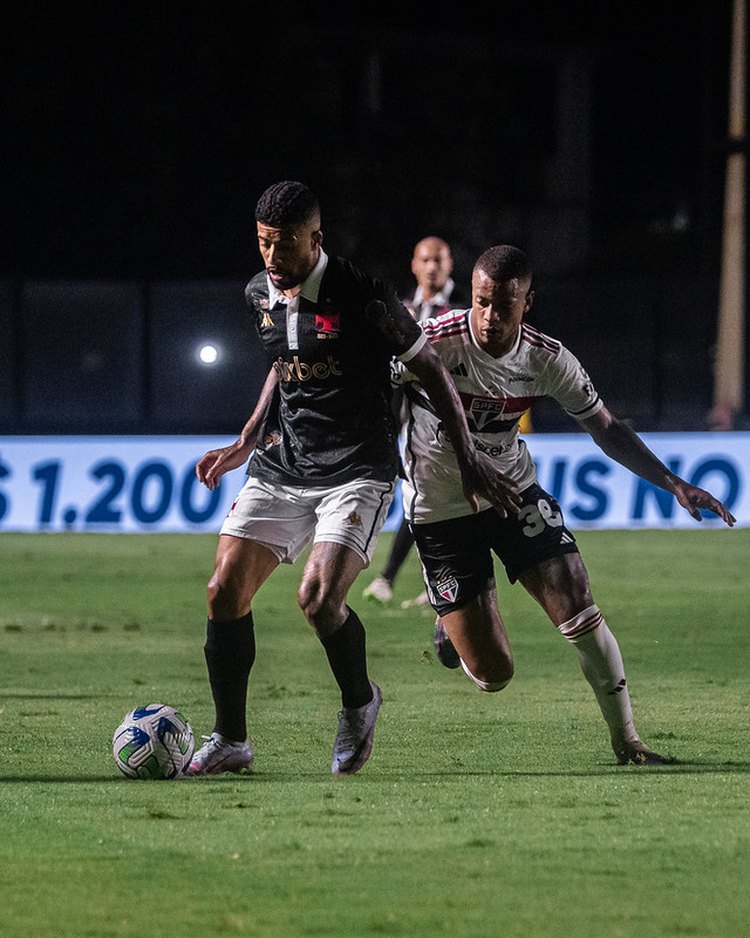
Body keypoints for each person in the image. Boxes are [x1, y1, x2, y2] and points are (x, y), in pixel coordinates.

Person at [185, 182, 520, 778]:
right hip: (284, 464)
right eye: (264, 244)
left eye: (284, 245)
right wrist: (244, 440)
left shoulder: (364, 297)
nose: (271, 258)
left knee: (317, 600)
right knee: (222, 592)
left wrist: (468, 457)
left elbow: (432, 371)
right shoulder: (260, 293)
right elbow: (284, 365)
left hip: (358, 468)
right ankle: (231, 739)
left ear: (316, 239)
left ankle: (359, 703)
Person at [394, 244, 736, 766]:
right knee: (494, 675)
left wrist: (672, 483)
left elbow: (607, 430)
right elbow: (367, 393)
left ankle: (629, 743)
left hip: (513, 493)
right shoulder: (434, 345)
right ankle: (453, 627)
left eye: (503, 305)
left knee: (577, 599)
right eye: (482, 301)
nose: (489, 316)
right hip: (441, 512)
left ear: (527, 302)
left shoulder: (546, 359)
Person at [363, 236, 469, 608]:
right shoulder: (404, 310)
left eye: (438, 260)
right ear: (414, 264)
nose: (432, 267)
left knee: (429, 503)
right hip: (408, 424)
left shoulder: (465, 311)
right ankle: (433, 582)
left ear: (450, 264)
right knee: (426, 503)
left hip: (449, 422)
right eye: (425, 259)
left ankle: (410, 581)